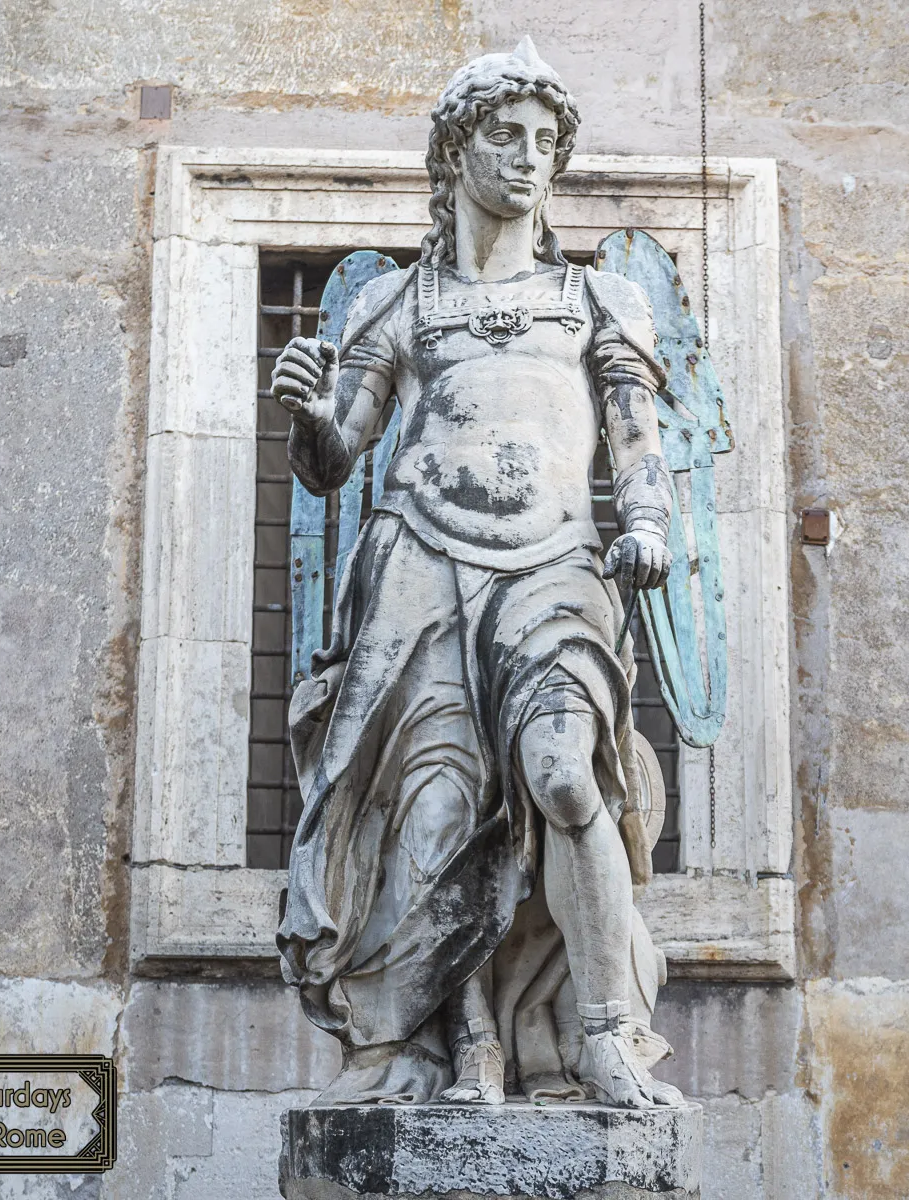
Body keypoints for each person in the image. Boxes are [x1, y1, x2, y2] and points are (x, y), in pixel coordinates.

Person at [274, 38, 683, 1109]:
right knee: (439, 816)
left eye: (546, 142)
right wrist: (306, 415)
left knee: (562, 772)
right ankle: (469, 1049)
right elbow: (334, 458)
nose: (529, 159)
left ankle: (602, 1033)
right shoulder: (400, 306)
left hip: (554, 565)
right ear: (455, 154)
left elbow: (640, 449)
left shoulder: (598, 303)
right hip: (420, 568)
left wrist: (646, 526)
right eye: (505, 136)